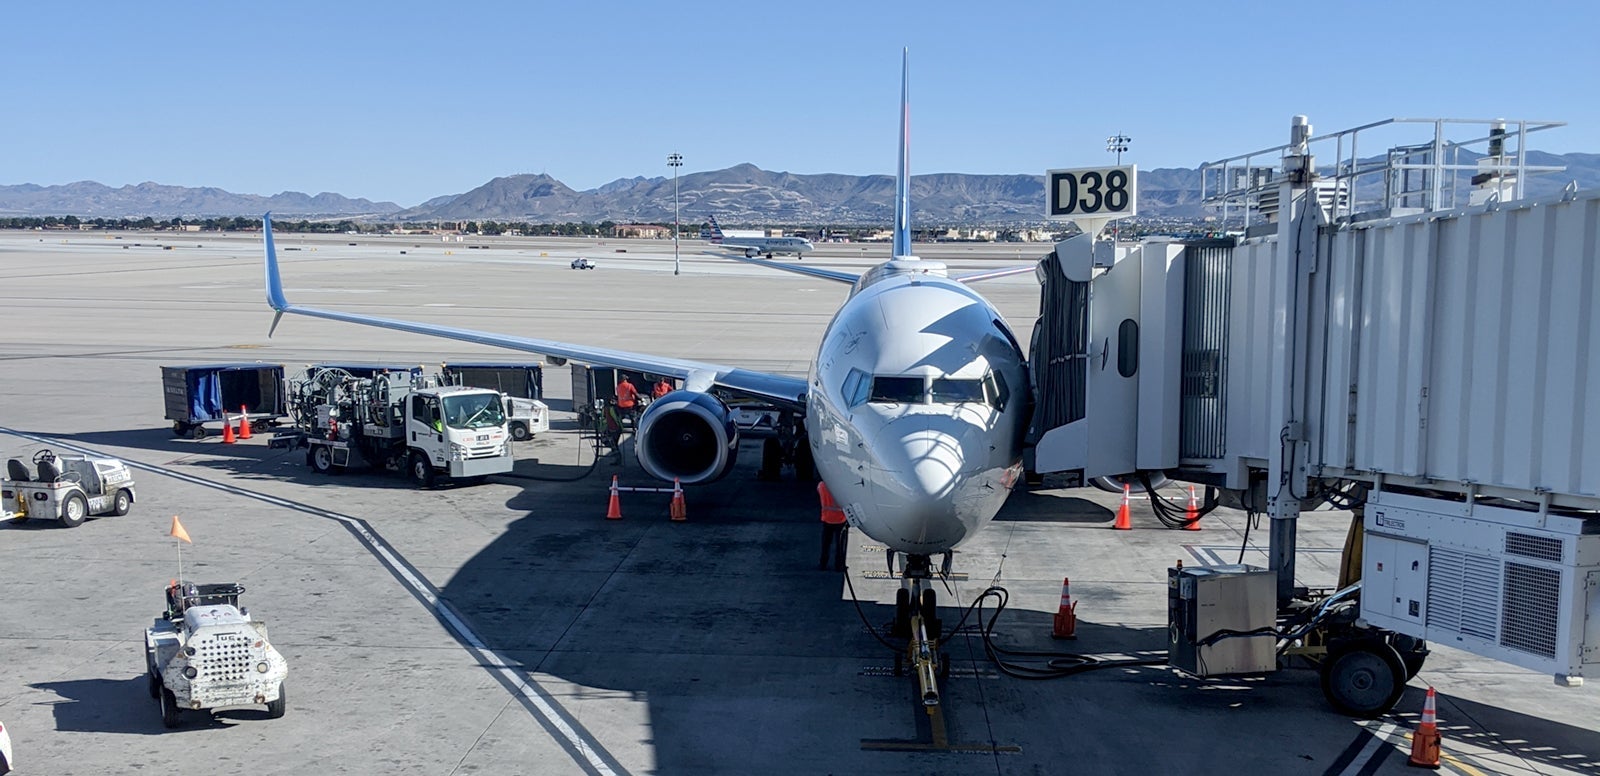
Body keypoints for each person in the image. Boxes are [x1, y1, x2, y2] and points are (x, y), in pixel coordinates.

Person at [817, 481, 848, 571]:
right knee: (840, 545)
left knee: (826, 543)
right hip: (840, 519)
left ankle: (823, 564)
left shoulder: (821, 485)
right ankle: (839, 565)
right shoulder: (842, 487)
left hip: (827, 518)